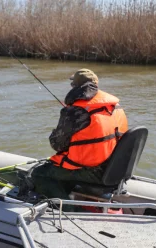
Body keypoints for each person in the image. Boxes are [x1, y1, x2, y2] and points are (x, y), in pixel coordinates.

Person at [29, 68, 128, 203]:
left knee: (39, 174)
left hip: (91, 171)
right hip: (112, 167)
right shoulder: (115, 106)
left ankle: (67, 210)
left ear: (75, 86)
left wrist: (58, 130)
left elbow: (56, 144)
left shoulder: (75, 111)